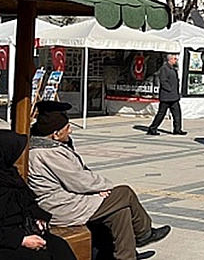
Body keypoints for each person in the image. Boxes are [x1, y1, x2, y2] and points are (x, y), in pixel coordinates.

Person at [27, 102, 170, 260]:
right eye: (67, 127)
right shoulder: (48, 153)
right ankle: (144, 233)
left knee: (120, 211)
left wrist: (99, 191)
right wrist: (106, 188)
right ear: (56, 134)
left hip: (67, 199)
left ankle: (126, 256)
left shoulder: (46, 147)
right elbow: (79, 180)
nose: (71, 130)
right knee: (124, 193)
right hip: (61, 206)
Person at [1, 130, 77, 260]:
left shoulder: (10, 174)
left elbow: (28, 201)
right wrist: (21, 240)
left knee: (59, 246)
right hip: (7, 241)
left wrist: (39, 217)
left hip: (24, 229)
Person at [147, 54, 186, 136]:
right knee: (161, 114)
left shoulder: (173, 69)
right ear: (170, 59)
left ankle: (177, 129)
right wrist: (170, 89)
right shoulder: (164, 68)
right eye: (175, 59)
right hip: (166, 96)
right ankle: (152, 128)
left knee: (177, 113)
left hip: (174, 96)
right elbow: (163, 81)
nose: (176, 60)